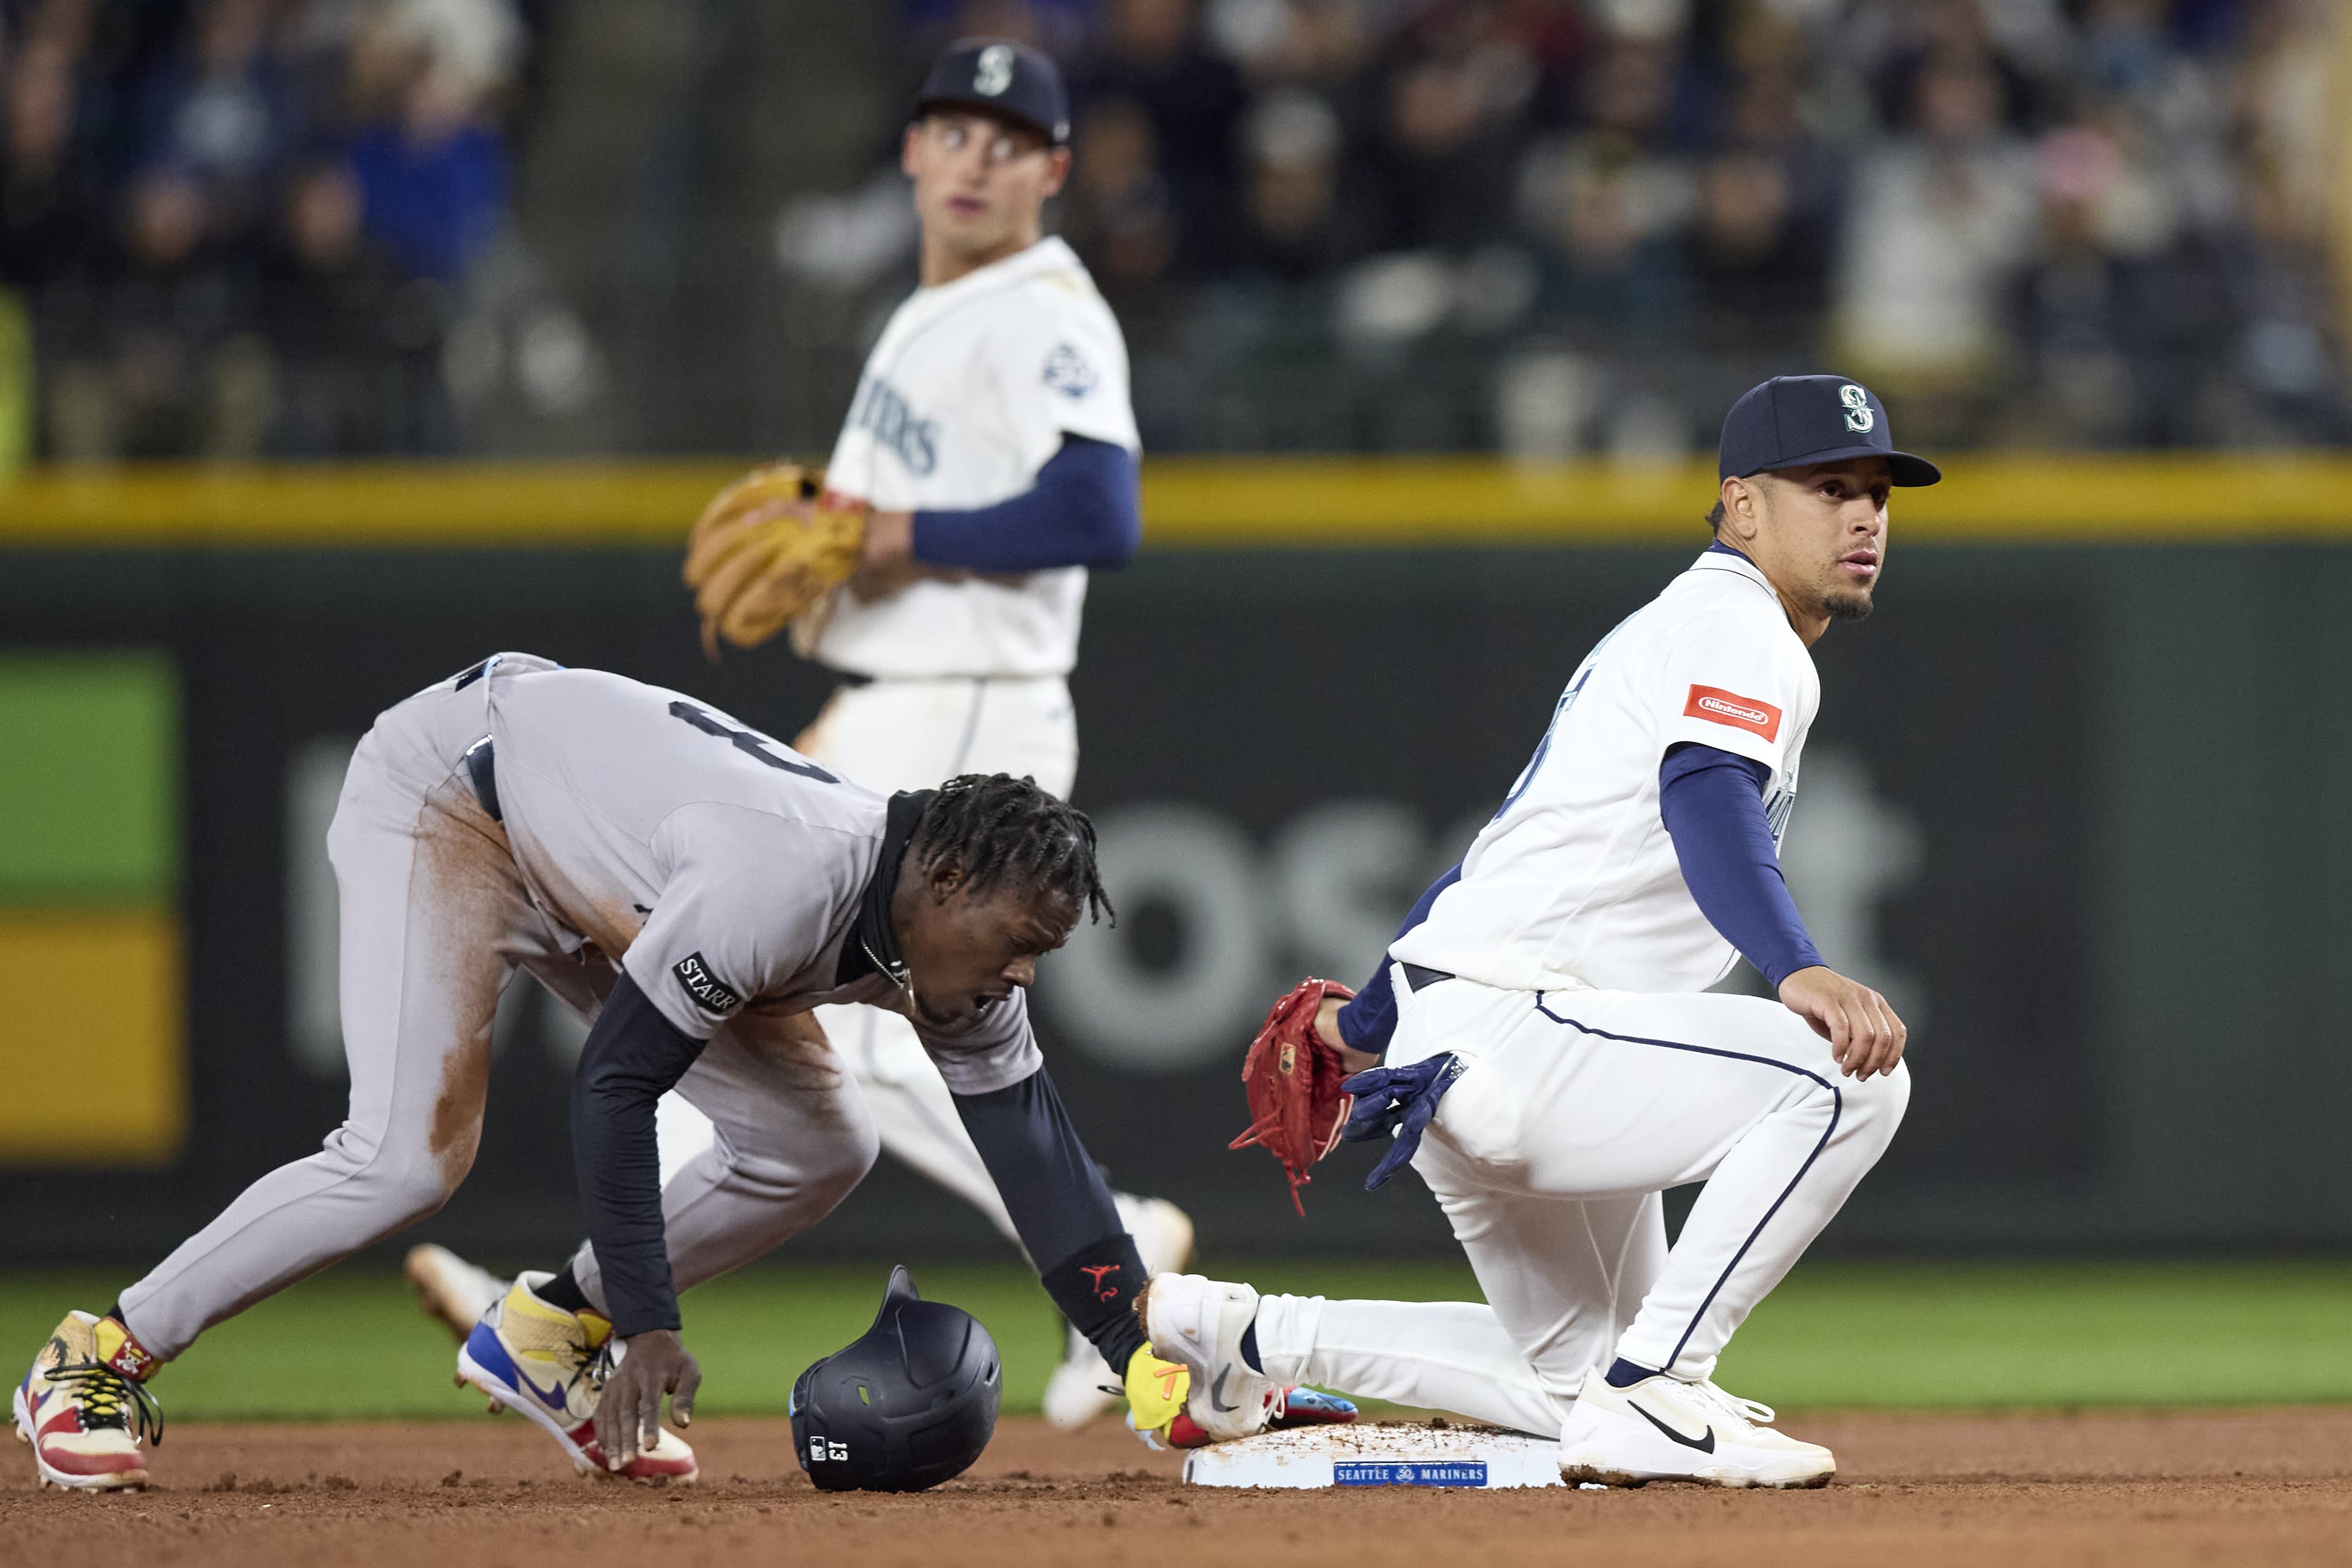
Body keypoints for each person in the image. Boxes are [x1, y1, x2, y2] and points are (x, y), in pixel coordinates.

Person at [405, 37, 1192, 1431]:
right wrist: (848, 546)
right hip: (899, 687)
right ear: (910, 152)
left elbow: (1101, 511)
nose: (974, 157)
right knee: (759, 1007)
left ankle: (1117, 1251)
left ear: (1053, 171)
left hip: (966, 693)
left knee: (871, 1040)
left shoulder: (1042, 309)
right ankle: (568, 1307)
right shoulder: (926, 316)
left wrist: (893, 528)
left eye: (1009, 141)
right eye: (952, 130)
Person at [13, 654, 1188, 1490]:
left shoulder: (952, 957)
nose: (1024, 978)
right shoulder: (781, 884)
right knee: (403, 1161)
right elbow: (615, 1085)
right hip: (462, 802)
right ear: (944, 888)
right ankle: (96, 1354)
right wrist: (654, 1321)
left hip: (614, 878)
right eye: (1020, 944)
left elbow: (1039, 1159)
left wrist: (1136, 1355)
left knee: (826, 1142)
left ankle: (543, 1331)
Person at [1140, 375, 1932, 1489]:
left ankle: (1244, 1337)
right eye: (1830, 488)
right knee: (1850, 1081)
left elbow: (1496, 860)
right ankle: (1663, 1390)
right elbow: (1707, 796)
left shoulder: (1675, 629)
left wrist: (1368, 1019)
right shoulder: (1738, 627)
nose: (1864, 517)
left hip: (1467, 1040)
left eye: (1879, 496)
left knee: (1577, 1383)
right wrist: (1795, 964)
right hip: (1530, 1039)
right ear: (1742, 506)